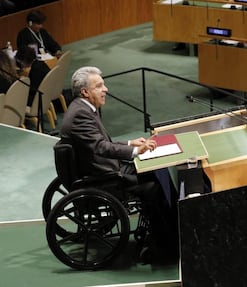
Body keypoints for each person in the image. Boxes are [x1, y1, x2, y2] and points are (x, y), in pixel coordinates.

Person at [60, 66, 178, 263]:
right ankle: (165, 247)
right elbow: (100, 147)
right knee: (153, 188)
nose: (105, 89)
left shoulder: (84, 108)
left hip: (104, 167)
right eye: (99, 86)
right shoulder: (81, 115)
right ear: (85, 92)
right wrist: (134, 152)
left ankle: (172, 230)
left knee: (157, 169)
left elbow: (102, 144)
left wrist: (132, 143)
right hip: (103, 177)